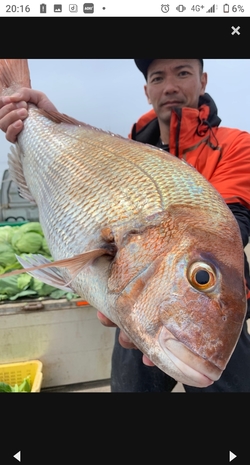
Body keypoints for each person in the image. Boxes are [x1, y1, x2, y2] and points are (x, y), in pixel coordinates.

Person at [1, 59, 250, 392]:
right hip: (135, 307)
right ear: (147, 91)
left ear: (203, 80)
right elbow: (78, 175)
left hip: (212, 324)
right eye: (158, 77)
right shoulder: (130, 141)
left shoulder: (237, 144)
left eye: (183, 72)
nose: (170, 85)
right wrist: (42, 119)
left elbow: (234, 224)